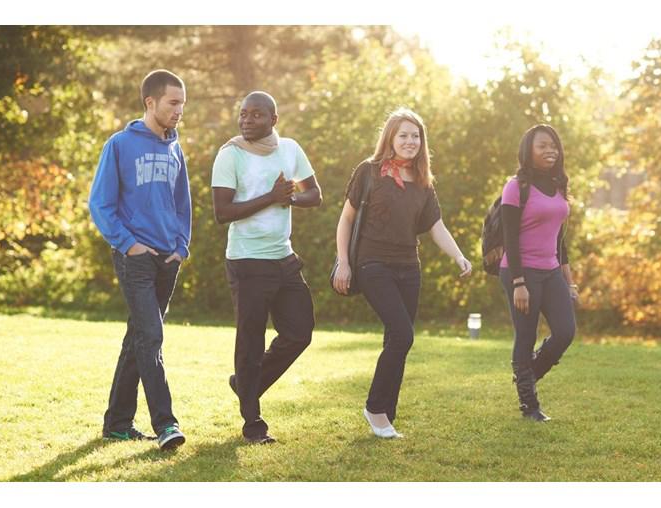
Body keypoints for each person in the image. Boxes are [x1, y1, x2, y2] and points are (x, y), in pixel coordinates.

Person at [333, 108, 472, 439]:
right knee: (403, 334)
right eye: (403, 135)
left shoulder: (423, 182)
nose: (410, 141)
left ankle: (385, 416)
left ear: (422, 142)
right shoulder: (369, 172)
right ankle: (375, 409)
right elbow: (346, 219)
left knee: (397, 339)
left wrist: (459, 256)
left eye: (416, 136)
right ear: (390, 138)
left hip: (409, 267)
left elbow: (435, 227)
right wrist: (343, 262)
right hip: (372, 263)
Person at [211, 91, 322, 444]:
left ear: (273, 119)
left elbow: (314, 195)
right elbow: (222, 212)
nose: (246, 120)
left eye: (256, 115)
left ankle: (247, 384)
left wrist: (290, 198)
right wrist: (271, 199)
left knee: (299, 332)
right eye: (243, 114)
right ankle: (253, 424)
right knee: (250, 341)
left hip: (283, 257)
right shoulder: (230, 154)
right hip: (247, 260)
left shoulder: (290, 149)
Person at [89, 69, 191, 450]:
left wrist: (181, 247)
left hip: (168, 258)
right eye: (173, 102)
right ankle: (166, 424)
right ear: (151, 102)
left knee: (138, 337)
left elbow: (183, 203)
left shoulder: (175, 147)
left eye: (182, 102)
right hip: (135, 259)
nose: (180, 110)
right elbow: (100, 203)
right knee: (151, 335)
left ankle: (117, 422)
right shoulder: (119, 144)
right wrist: (128, 244)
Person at [498, 124, 579, 422]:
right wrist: (519, 282)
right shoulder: (515, 187)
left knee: (565, 331)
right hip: (521, 272)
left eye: (554, 145)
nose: (550, 150)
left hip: (550, 271)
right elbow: (510, 237)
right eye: (543, 145)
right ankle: (529, 406)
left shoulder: (558, 187)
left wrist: (569, 280)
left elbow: (559, 239)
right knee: (526, 335)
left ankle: (526, 375)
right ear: (528, 151)